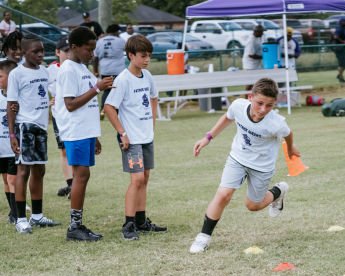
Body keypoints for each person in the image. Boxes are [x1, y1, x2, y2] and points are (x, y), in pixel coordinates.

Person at [188, 77, 300, 254]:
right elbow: (227, 118)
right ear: (250, 96)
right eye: (259, 103)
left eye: (269, 105)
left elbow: (288, 133)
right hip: (238, 158)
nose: (263, 109)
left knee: (252, 206)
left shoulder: (276, 123)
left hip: (262, 166)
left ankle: (278, 191)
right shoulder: (238, 106)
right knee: (224, 194)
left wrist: (291, 148)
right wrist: (207, 138)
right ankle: (203, 237)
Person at [104, 35, 165, 241]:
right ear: (131, 55)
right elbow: (109, 107)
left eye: (149, 56)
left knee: (145, 179)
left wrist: (152, 122)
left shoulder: (147, 76)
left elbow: (154, 98)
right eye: (142, 56)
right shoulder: (122, 80)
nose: (147, 59)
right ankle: (128, 224)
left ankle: (141, 221)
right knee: (137, 179)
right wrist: (122, 132)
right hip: (131, 138)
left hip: (146, 136)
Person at [56, 26, 113, 241]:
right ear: (74, 47)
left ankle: (77, 224)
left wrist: (94, 135)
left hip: (85, 131)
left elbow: (87, 105)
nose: (92, 53)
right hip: (75, 131)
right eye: (88, 49)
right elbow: (70, 104)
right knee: (80, 176)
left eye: (93, 49)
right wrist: (97, 88)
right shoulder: (68, 69)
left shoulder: (82, 68)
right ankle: (74, 227)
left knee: (84, 175)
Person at [7, 36, 60, 233]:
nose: (40, 54)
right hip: (25, 126)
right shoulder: (17, 74)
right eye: (35, 52)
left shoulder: (45, 72)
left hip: (41, 127)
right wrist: (12, 135)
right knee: (23, 171)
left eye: (42, 51)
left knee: (40, 171)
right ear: (23, 53)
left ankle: (37, 216)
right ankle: (21, 219)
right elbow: (11, 105)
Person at [48, 36, 73, 199]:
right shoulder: (50, 70)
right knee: (63, 150)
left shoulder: (76, 67)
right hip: (59, 115)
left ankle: (78, 181)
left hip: (74, 114)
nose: (68, 54)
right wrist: (46, 101)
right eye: (65, 51)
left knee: (73, 148)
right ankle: (71, 183)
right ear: (57, 52)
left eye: (71, 50)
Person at [0, 60, 18, 224]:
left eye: (0, 76)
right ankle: (13, 212)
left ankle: (16, 213)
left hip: (13, 147)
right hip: (1, 149)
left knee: (13, 180)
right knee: (6, 180)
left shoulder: (17, 97)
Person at [93, 23, 125, 112]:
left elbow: (95, 58)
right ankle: (117, 110)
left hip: (105, 70)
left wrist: (95, 70)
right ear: (116, 32)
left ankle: (103, 109)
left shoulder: (99, 42)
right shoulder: (120, 41)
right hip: (118, 70)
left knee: (107, 90)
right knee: (118, 90)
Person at [333, 18, 345, 84]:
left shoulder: (344, 29)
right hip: (339, 48)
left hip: (343, 48)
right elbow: (335, 37)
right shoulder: (339, 29)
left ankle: (339, 76)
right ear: (341, 23)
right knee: (342, 63)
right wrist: (342, 42)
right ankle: (341, 77)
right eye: (344, 22)